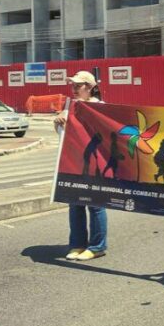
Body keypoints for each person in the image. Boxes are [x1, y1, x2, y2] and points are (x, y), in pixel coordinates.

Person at [53, 70, 108, 261]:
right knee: (75, 205)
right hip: (73, 164)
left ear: (91, 88)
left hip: (94, 166)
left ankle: (97, 246)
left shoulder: (101, 107)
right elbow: (63, 135)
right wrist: (58, 121)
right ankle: (77, 244)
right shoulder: (71, 107)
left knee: (95, 205)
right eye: (73, 85)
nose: (74, 89)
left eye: (78, 85)